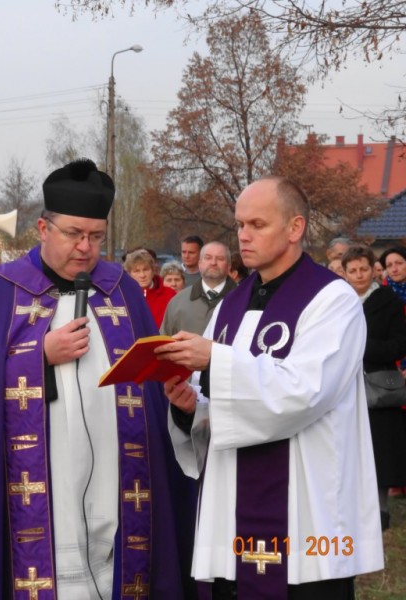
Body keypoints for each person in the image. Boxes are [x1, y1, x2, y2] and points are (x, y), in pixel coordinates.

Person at [0, 158, 197, 599]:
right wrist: (38, 356)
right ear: (43, 228)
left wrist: (180, 407)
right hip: (36, 497)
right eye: (73, 233)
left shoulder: (123, 291)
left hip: (118, 486)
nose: (85, 247)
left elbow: (152, 393)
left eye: (96, 236)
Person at [156, 175, 383, 599]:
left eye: (257, 224)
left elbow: (305, 392)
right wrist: (190, 408)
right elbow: (219, 404)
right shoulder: (231, 304)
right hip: (233, 513)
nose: (243, 235)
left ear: (295, 228)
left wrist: (215, 359)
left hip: (306, 517)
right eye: (240, 224)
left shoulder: (332, 300)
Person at [342, 245, 406, 531]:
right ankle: (350, 508)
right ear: (345, 273)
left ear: (373, 270)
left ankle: (380, 510)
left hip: (377, 385)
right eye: (353, 270)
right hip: (343, 383)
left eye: (364, 269)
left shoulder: (388, 301)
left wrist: (362, 347)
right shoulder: (338, 301)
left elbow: (399, 344)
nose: (359, 275)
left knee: (379, 450)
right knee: (348, 447)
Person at [160, 241, 236, 337]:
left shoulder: (244, 300)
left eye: (220, 259)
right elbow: (164, 341)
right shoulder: (177, 302)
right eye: (208, 258)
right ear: (200, 264)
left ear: (229, 266)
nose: (213, 263)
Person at [124, 248, 177, 328]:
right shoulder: (123, 296)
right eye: (137, 271)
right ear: (129, 274)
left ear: (153, 271)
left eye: (146, 270)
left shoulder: (170, 295)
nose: (142, 275)